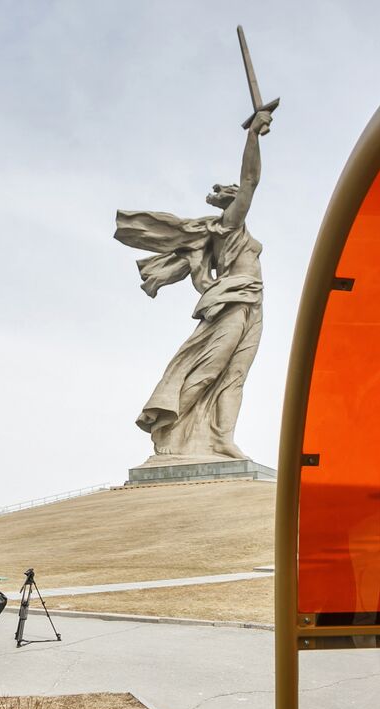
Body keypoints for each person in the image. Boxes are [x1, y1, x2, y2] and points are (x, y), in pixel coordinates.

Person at [113, 109, 272, 462]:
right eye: (236, 196)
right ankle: (168, 426)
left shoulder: (232, 232)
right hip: (233, 302)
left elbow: (201, 278)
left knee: (235, 375)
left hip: (252, 302)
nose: (241, 197)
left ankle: (222, 439)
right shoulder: (229, 226)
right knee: (210, 369)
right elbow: (250, 180)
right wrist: (253, 135)